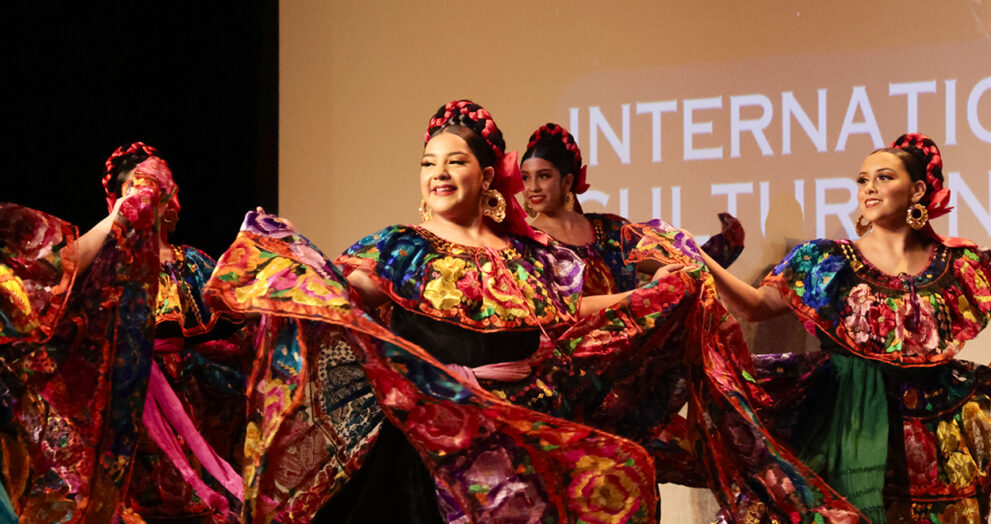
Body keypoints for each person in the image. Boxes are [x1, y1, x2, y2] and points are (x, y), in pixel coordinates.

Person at [205, 99, 728, 523]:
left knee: (626, 473)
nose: (439, 173)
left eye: (455, 161)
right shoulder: (402, 248)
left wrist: (645, 296)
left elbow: (567, 309)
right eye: (428, 163)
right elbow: (342, 297)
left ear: (488, 175)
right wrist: (283, 272)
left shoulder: (525, 255)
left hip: (515, 435)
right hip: (430, 443)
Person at [696, 133, 991, 521]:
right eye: (863, 179)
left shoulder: (960, 263)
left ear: (918, 190)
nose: (869, 188)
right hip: (847, 420)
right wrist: (695, 256)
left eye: (884, 177)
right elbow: (754, 307)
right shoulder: (828, 259)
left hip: (934, 428)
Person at [0, 155, 172, 522]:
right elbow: (58, 267)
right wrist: (125, 213)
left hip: (161, 390)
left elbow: (56, 266)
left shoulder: (189, 262)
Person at [103, 143, 248, 522]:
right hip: (128, 393)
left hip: (191, 391)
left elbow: (239, 315)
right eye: (135, 189)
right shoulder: (110, 261)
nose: (147, 198)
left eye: (157, 188)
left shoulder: (193, 263)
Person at [519, 122, 744, 295]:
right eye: (526, 178)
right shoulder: (524, 242)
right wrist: (643, 294)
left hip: (632, 349)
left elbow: (674, 266)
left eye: (544, 176)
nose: (533, 188)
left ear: (567, 182)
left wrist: (684, 253)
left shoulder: (608, 229)